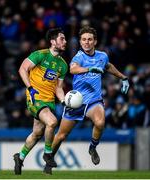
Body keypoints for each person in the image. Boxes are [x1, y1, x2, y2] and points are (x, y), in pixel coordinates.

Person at [44, 26, 130, 174]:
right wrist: (89, 69)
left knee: (100, 122)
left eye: (89, 39)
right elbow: (73, 69)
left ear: (95, 41)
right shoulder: (78, 57)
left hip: (93, 101)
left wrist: (123, 77)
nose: (86, 42)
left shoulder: (102, 56)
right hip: (76, 102)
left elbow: (108, 66)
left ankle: (92, 148)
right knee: (61, 135)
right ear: (80, 42)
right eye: (83, 39)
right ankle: (49, 161)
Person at [13, 28, 68, 175]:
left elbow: (59, 88)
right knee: (52, 122)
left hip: (49, 101)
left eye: (65, 39)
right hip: (35, 97)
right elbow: (22, 69)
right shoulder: (40, 55)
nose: (65, 41)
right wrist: (30, 88)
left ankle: (20, 157)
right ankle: (48, 154)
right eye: (62, 39)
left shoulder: (63, 65)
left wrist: (63, 101)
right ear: (52, 41)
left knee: (37, 133)